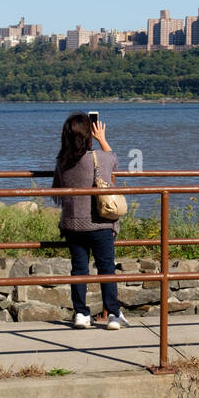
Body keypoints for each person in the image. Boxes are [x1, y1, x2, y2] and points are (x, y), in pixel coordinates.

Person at [52, 112, 123, 329]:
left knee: (79, 269)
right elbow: (114, 162)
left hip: (73, 224)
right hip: (100, 224)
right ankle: (113, 314)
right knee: (106, 268)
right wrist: (102, 138)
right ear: (89, 133)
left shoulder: (62, 161)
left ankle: (81, 314)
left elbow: (57, 189)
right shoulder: (99, 157)